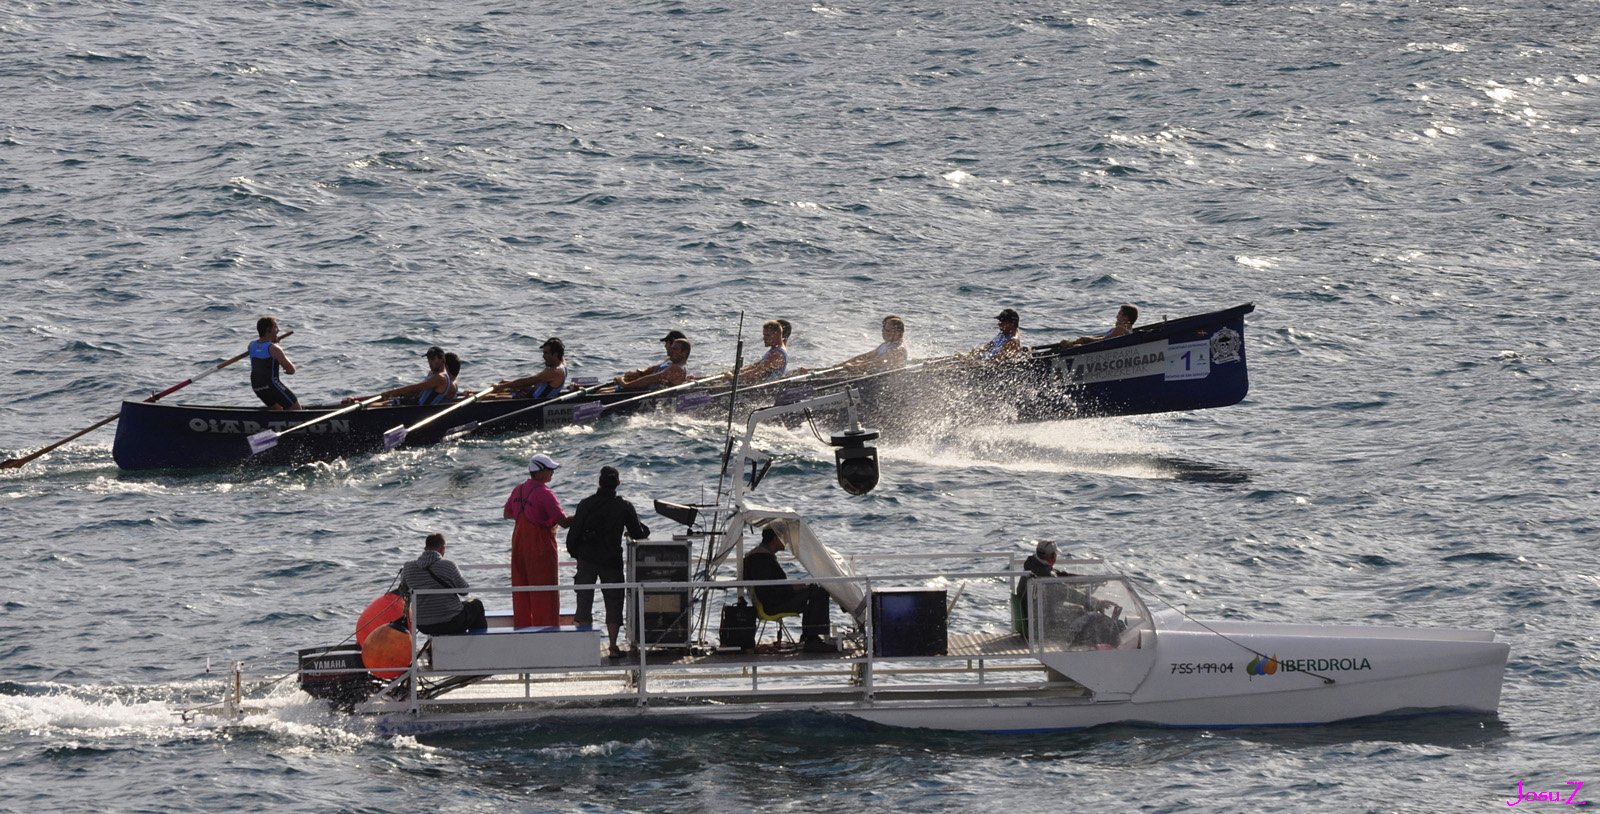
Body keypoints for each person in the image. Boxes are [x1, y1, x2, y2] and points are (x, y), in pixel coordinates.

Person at [565, 465, 650, 657]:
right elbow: (639, 534)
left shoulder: (585, 504)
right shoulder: (624, 506)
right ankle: (612, 646)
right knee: (613, 602)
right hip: (611, 560)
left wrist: (577, 555)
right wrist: (643, 530)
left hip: (587, 559)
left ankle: (583, 649)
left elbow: (573, 535)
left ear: (599, 483)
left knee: (584, 600)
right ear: (618, 484)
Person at [503, 453, 572, 628]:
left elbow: (507, 513)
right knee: (545, 593)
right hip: (540, 548)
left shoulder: (518, 489)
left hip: (518, 545)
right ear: (539, 472)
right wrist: (585, 513)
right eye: (550, 470)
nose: (552, 473)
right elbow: (563, 522)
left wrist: (528, 515)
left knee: (522, 591)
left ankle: (523, 629)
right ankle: (547, 632)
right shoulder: (545, 493)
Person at [742, 527, 837, 653]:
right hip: (772, 605)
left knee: (813, 589)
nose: (786, 541)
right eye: (783, 538)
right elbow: (769, 592)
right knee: (819, 592)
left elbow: (771, 587)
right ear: (775, 539)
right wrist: (793, 588)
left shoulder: (759, 556)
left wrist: (793, 587)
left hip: (772, 601)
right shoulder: (762, 559)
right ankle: (813, 640)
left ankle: (809, 636)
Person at [1015, 540, 1121, 648]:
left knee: (1079, 610)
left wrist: (1088, 579)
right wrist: (1097, 602)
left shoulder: (1034, 569)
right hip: (1043, 627)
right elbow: (1066, 592)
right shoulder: (1044, 578)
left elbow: (1061, 576)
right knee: (1089, 617)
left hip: (1035, 620)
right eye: (1055, 555)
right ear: (1052, 557)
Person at [398, 533, 485, 636]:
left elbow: (403, 590)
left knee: (457, 612)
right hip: (450, 621)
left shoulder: (408, 567)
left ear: (426, 548)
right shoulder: (448, 565)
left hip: (423, 624)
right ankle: (477, 644)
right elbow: (464, 591)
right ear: (442, 548)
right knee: (476, 605)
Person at [349, 346, 456, 405]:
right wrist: (397, 394)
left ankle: (359, 407)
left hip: (419, 410)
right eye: (428, 359)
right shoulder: (433, 374)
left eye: (432, 359)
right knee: (385, 401)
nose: (429, 362)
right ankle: (359, 403)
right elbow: (418, 391)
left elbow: (418, 387)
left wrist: (394, 392)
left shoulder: (441, 378)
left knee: (382, 405)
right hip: (415, 402)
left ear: (442, 360)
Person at [249, 316, 300, 410]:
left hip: (257, 386)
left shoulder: (251, 345)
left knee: (278, 410)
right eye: (275, 327)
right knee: (296, 409)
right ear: (268, 329)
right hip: (271, 385)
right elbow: (291, 370)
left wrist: (272, 342)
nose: (278, 330)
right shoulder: (274, 349)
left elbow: (262, 347)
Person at [496, 338, 567, 400]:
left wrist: (501, 386)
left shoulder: (554, 371)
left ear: (555, 354)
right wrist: (505, 384)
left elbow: (527, 381)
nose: (543, 356)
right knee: (504, 384)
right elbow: (561, 354)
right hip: (530, 394)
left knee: (492, 397)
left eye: (546, 353)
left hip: (529, 402)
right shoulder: (562, 363)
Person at [838, 315, 908, 373]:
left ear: (897, 333)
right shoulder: (885, 345)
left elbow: (879, 362)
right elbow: (867, 356)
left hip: (886, 381)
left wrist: (856, 366)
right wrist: (842, 364)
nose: (883, 332)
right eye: (883, 329)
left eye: (887, 330)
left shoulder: (898, 350)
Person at [617, 330, 687, 386]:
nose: (665, 346)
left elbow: (652, 379)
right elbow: (653, 369)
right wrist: (639, 373)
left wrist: (625, 384)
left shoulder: (677, 367)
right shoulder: (669, 361)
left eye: (667, 343)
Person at [1059, 304, 1140, 348]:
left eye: (1119, 314)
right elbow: (1102, 337)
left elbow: (1103, 340)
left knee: (1073, 345)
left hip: (1100, 349)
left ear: (1125, 317)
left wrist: (1086, 340)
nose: (1116, 316)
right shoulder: (1123, 330)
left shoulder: (1120, 329)